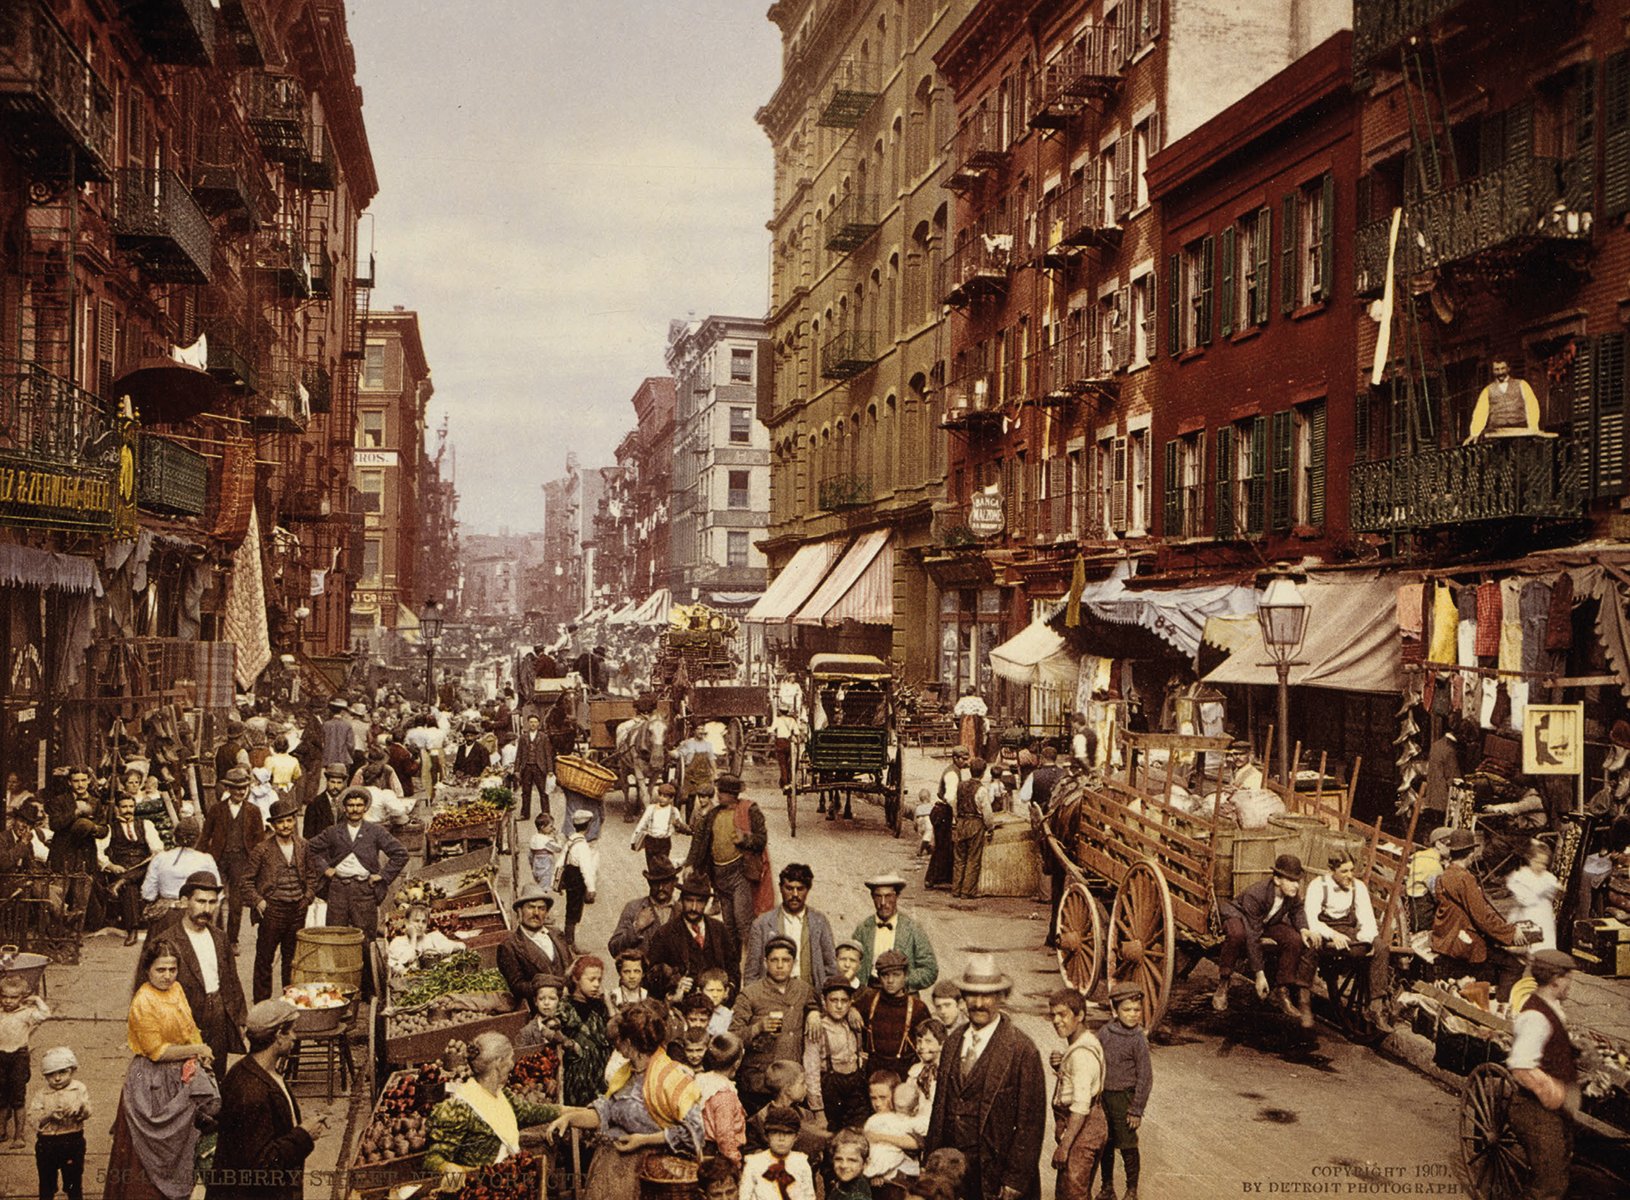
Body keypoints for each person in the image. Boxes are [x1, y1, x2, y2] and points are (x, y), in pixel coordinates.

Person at [545, 1000, 704, 1199]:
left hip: (651, 1175)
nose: (616, 1048)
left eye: (617, 1042)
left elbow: (695, 1131)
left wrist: (644, 1140)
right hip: (612, 1172)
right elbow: (606, 1111)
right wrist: (569, 1119)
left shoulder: (672, 1077)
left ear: (628, 1044)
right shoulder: (626, 1075)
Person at [105, 936, 221, 1200]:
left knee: (185, 1146)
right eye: (160, 970)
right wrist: (196, 1050)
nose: (168, 976)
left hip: (181, 1073)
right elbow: (157, 1052)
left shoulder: (176, 989)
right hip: (151, 1081)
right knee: (150, 1154)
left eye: (172, 969)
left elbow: (190, 1028)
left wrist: (201, 1052)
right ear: (147, 969)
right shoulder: (143, 1002)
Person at [925, 953, 1046, 1200]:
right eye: (972, 995)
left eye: (987, 996)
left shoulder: (1022, 1049)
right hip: (954, 1170)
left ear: (1001, 997)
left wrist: (1015, 1178)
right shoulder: (953, 1041)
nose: (979, 1003)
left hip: (995, 1171)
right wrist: (931, 1161)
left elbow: (1030, 1124)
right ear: (963, 998)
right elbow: (940, 1109)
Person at [204, 999, 327, 1200]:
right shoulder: (252, 1093)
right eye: (291, 1031)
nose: (295, 1037)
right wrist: (304, 1134)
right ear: (278, 1036)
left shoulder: (253, 1070)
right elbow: (262, 1166)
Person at [424, 1031, 560, 1188]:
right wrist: (452, 1168)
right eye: (510, 1058)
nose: (512, 1064)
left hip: (505, 1184)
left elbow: (531, 1112)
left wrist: (569, 1112)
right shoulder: (459, 1107)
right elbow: (432, 1160)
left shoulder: (502, 1095)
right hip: (480, 1189)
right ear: (498, 1062)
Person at [151, 872, 248, 1070]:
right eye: (200, 901)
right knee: (183, 1078)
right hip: (184, 1017)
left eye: (212, 902)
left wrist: (240, 1018)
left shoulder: (220, 938)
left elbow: (231, 981)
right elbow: (148, 989)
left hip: (218, 1016)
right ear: (186, 901)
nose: (207, 909)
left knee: (216, 1074)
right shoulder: (167, 941)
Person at [1505, 949, 1580, 1200]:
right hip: (1535, 1113)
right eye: (1569, 978)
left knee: (1558, 1171)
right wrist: (1552, 1090)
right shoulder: (1535, 1017)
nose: (1571, 985)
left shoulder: (1552, 1006)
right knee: (1548, 1187)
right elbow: (1521, 1066)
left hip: (1551, 1112)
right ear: (1556, 978)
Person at [1213, 854, 1316, 1028]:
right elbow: (1253, 937)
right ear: (1277, 880)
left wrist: (1304, 929)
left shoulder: (1291, 894)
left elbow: (1297, 911)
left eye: (1298, 880)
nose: (1296, 885)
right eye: (1291, 880)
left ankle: (1281, 989)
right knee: (1238, 935)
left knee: (1294, 939)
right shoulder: (1257, 894)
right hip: (1239, 916)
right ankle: (1224, 981)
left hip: (1265, 921)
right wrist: (1259, 975)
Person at [242, 796, 319, 1003]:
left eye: (289, 821)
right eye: (280, 822)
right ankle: (262, 1006)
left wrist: (307, 897)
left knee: (291, 960)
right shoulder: (262, 849)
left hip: (297, 909)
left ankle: (289, 1003)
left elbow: (312, 876)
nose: (285, 826)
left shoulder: (303, 846)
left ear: (294, 821)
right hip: (272, 910)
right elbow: (246, 881)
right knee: (264, 959)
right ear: (273, 825)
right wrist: (259, 901)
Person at [306, 786, 408, 941]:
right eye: (351, 805)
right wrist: (325, 869)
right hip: (338, 889)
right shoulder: (333, 832)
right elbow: (308, 849)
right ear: (344, 808)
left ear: (365, 808)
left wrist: (382, 876)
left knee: (365, 937)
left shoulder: (375, 831)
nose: (355, 809)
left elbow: (401, 854)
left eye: (359, 805)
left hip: (364, 890)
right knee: (336, 936)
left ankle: (366, 966)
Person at [685, 773, 770, 957]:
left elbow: (761, 839)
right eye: (719, 790)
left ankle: (752, 966)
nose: (718, 795)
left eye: (722, 791)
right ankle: (734, 969)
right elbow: (698, 839)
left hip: (740, 875)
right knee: (729, 927)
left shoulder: (749, 810)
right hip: (719, 877)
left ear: (732, 794)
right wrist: (690, 863)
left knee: (743, 924)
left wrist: (745, 839)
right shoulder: (713, 814)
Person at [1431, 828, 1528, 986]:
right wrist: (1511, 933)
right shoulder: (1464, 879)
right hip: (1462, 942)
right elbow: (1482, 917)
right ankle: (1500, 1005)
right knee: (1514, 965)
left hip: (1446, 937)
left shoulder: (1444, 875)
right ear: (1470, 854)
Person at [732, 935, 818, 1112]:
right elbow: (732, 1037)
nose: (780, 966)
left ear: (793, 963)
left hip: (791, 1082)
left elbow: (816, 1004)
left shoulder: (803, 989)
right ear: (765, 962)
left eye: (786, 960)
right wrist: (758, 1028)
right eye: (774, 960)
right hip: (760, 1083)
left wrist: (815, 1012)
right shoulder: (750, 994)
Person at [1046, 988, 1106, 1200]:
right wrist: (1061, 1065)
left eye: (1063, 1014)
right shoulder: (1086, 1042)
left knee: (1072, 1194)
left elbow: (1080, 1106)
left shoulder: (1081, 1055)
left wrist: (1064, 1147)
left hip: (1083, 1127)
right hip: (1090, 1124)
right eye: (1053, 1014)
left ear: (1080, 1015)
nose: (1056, 1020)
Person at [1097, 982, 1153, 1200]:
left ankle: (1132, 1189)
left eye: (1137, 1010)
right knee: (1105, 1144)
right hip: (1104, 1099)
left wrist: (1136, 1109)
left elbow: (1145, 1077)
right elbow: (1094, 1058)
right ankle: (1107, 1187)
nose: (1132, 1015)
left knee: (1128, 1146)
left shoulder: (1138, 1039)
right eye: (1127, 1010)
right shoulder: (1104, 1033)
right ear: (1115, 1010)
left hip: (1125, 1100)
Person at [744, 863, 838, 991]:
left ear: (807, 890)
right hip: (772, 997)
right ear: (781, 888)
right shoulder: (762, 924)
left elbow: (831, 967)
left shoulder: (820, 922)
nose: (795, 894)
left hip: (810, 995)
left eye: (800, 889)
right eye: (789, 888)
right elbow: (751, 973)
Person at [199, 766, 264, 949]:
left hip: (241, 861)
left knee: (236, 901)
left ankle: (232, 940)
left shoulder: (253, 811)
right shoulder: (216, 809)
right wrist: (198, 857)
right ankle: (213, 935)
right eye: (236, 788)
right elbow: (205, 836)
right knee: (215, 897)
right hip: (219, 859)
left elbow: (259, 840)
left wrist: (259, 863)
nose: (241, 792)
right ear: (228, 789)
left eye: (244, 788)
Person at [96, 795, 165, 946]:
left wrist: (150, 860)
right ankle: (132, 929)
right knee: (130, 886)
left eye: (131, 807)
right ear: (116, 809)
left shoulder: (145, 825)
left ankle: (122, 882)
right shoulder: (109, 828)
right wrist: (111, 866)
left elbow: (158, 849)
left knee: (153, 863)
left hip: (143, 868)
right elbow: (98, 853)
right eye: (124, 807)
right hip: (122, 868)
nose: (128, 811)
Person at [648, 875, 738, 991]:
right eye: (689, 900)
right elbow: (651, 976)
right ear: (681, 900)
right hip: (682, 1004)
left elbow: (733, 968)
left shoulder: (719, 929)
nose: (694, 907)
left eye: (699, 902)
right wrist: (675, 982)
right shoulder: (665, 933)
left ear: (706, 903)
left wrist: (729, 990)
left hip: (717, 1001)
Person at [852, 874, 938, 993]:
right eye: (878, 896)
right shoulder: (863, 929)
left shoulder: (912, 928)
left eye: (888, 896)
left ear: (897, 896)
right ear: (872, 897)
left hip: (902, 995)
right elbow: (851, 964)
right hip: (870, 992)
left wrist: (903, 981)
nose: (883, 902)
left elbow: (930, 970)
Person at [804, 977, 868, 1134]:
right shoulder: (818, 1028)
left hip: (855, 1090)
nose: (839, 1006)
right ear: (824, 1001)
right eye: (833, 1000)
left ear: (850, 1002)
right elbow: (811, 1071)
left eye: (844, 1001)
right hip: (830, 1092)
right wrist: (818, 1110)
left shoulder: (853, 1022)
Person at [855, 950, 930, 1082]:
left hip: (904, 1074)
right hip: (873, 1073)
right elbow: (844, 1009)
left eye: (896, 975)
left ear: (905, 975)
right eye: (885, 975)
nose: (890, 980)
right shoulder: (869, 1000)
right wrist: (851, 1011)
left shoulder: (918, 1008)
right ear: (878, 976)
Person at [497, 885, 573, 1013]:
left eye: (541, 908)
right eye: (530, 907)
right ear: (520, 911)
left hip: (569, 1006)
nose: (536, 913)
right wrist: (550, 986)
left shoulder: (557, 934)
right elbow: (517, 986)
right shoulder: (509, 946)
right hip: (540, 1011)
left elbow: (570, 966)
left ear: (546, 912)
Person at [30, 1046, 90, 1200]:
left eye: (62, 1072)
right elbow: (33, 1119)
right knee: (46, 1183)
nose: (57, 1078)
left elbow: (88, 1111)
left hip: (73, 1140)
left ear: (72, 1070)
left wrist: (79, 1110)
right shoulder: (41, 1094)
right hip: (47, 1143)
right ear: (45, 1076)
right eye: (51, 1075)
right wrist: (48, 1116)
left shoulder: (79, 1089)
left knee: (74, 1182)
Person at [46, 767, 106, 915]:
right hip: (62, 855)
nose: (80, 784)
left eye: (83, 780)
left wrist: (93, 828)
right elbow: (55, 824)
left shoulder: (96, 802)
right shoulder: (59, 801)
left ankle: (76, 934)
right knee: (57, 898)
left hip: (85, 856)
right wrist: (75, 813)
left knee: (81, 901)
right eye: (76, 781)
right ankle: (57, 932)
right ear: (69, 782)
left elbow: (104, 829)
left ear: (89, 781)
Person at [0, 975, 50, 1146]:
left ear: (22, 998)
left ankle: (19, 1135)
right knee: (2, 1096)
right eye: (4, 996)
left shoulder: (27, 1014)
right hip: (1, 1056)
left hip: (18, 1057)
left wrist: (36, 999)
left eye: (13, 997)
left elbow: (45, 1014)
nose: (8, 1001)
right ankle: (1, 1130)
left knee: (18, 1097)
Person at [559, 955, 613, 1107]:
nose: (596, 984)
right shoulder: (565, 1008)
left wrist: (608, 1004)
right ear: (576, 979)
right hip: (577, 1082)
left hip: (600, 1078)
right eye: (591, 980)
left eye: (599, 980)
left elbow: (613, 1033)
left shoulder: (600, 1006)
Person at [140, 819, 218, 918]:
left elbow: (147, 893)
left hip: (166, 915)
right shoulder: (206, 859)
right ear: (198, 838)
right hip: (195, 916)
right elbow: (216, 894)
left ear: (175, 837)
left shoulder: (160, 858)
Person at [608, 858, 681, 958]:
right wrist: (637, 927)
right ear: (649, 883)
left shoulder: (682, 912)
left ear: (674, 883)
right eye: (656, 883)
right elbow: (614, 948)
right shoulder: (634, 908)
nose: (661, 888)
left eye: (665, 883)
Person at [742, 1105, 817, 1200]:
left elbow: (809, 1196)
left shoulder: (801, 1164)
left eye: (788, 1133)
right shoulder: (754, 1165)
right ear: (766, 1136)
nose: (781, 1139)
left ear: (796, 1137)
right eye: (775, 1132)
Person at [1465, 359, 1550, 442]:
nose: (1500, 372)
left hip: (1520, 432)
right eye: (1497, 369)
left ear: (1508, 369)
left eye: (1503, 368)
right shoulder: (1488, 390)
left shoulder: (1521, 385)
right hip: (1496, 433)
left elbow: (1532, 407)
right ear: (1493, 371)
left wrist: (1533, 428)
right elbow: (1480, 413)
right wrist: (1474, 433)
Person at [696, 1033, 747, 1166]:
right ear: (737, 1063)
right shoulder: (724, 1095)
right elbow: (725, 1135)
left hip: (701, 1147)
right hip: (718, 1155)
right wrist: (735, 1162)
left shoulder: (701, 1080)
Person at [1506, 838, 1561, 954]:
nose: (1541, 866)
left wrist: (1558, 891)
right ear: (1530, 859)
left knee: (1546, 945)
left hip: (1544, 916)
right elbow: (1523, 899)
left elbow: (1557, 893)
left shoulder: (1549, 878)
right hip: (1528, 915)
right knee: (1529, 946)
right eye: (1538, 862)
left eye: (1544, 864)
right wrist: (1541, 890)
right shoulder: (1520, 876)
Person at [952, 758, 994, 900]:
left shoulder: (961, 785)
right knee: (973, 859)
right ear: (983, 773)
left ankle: (956, 889)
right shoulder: (981, 790)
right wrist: (990, 827)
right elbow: (987, 812)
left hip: (961, 822)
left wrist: (957, 819)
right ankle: (967, 891)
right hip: (975, 823)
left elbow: (954, 804)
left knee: (959, 858)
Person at [558, 808, 599, 954]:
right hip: (577, 880)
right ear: (588, 826)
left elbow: (561, 859)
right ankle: (570, 944)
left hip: (570, 876)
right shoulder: (582, 846)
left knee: (571, 909)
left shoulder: (571, 840)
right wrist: (591, 888)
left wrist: (556, 880)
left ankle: (570, 941)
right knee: (574, 911)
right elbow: (586, 869)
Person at [387, 902, 463, 977]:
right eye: (416, 921)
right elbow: (405, 962)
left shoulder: (432, 938)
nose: (420, 925)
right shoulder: (398, 942)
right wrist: (413, 939)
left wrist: (440, 954)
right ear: (407, 922)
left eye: (424, 922)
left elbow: (461, 946)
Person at [630, 783, 689, 873]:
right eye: (660, 795)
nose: (661, 798)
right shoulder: (651, 809)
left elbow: (677, 831)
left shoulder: (674, 811)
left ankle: (659, 885)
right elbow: (641, 825)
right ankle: (654, 886)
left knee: (662, 867)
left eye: (665, 796)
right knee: (652, 868)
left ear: (671, 798)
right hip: (651, 842)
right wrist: (634, 840)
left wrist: (675, 826)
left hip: (664, 843)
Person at [515, 713, 554, 822]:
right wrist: (517, 769)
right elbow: (519, 754)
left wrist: (550, 769)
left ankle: (546, 813)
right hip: (526, 767)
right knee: (525, 792)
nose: (533, 724)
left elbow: (548, 754)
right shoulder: (523, 737)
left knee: (543, 792)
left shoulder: (544, 737)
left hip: (539, 767)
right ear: (528, 723)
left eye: (535, 722)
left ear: (538, 724)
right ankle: (525, 814)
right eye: (531, 722)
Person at [826, 1127, 873, 1200]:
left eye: (852, 1160)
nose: (844, 1165)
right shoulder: (842, 1185)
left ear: (865, 1163)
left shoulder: (859, 1196)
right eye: (838, 1159)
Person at [303, 763, 348, 840]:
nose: (335, 786)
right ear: (327, 782)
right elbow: (308, 834)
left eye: (339, 783)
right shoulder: (314, 804)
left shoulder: (347, 803)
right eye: (332, 782)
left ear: (343, 784)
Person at [320, 698, 355, 768]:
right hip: (342, 759)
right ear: (343, 711)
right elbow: (350, 745)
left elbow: (322, 742)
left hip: (328, 758)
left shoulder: (326, 724)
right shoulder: (347, 725)